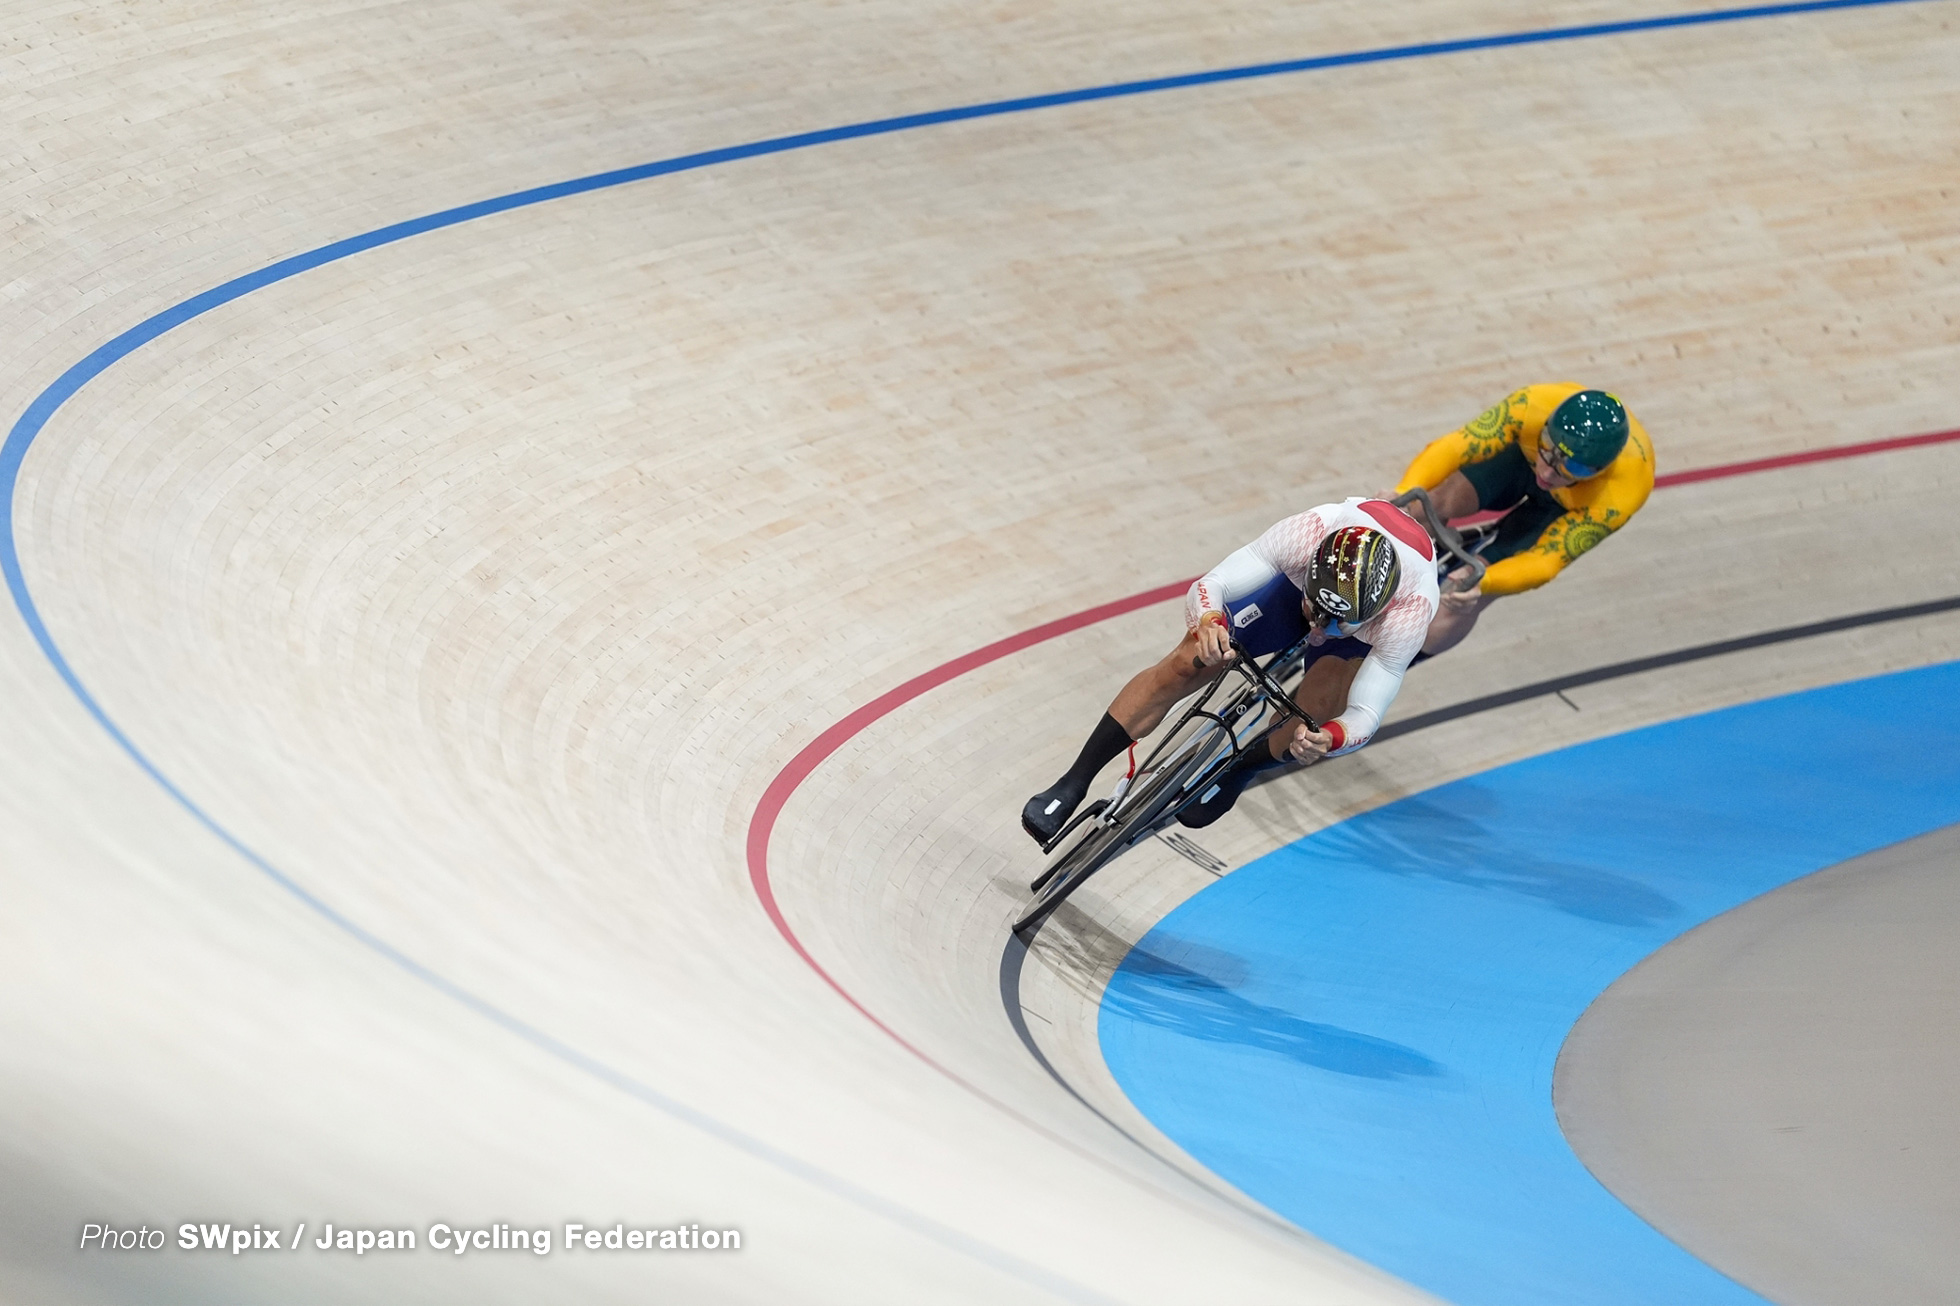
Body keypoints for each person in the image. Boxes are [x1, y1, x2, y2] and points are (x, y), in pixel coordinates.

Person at [1021, 497, 1440, 843]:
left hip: (1358, 632)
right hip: (1289, 593)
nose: (1320, 627)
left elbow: (1365, 715)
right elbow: (1212, 585)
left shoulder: (1408, 614)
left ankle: (1243, 768)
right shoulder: (1306, 535)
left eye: (1337, 622)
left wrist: (1329, 738)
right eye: (1317, 611)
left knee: (1313, 719)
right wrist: (1209, 624)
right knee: (1189, 661)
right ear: (1311, 573)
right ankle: (1074, 780)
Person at [1395, 385, 1653, 657]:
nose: (1548, 473)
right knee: (1427, 504)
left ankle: (1403, 659)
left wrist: (1487, 581)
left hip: (1568, 509)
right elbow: (1455, 446)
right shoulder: (1531, 405)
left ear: (1601, 470)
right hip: (1521, 459)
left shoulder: (1621, 494)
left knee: (1466, 592)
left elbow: (1545, 562)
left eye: (1572, 468)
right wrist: (1404, 489)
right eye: (1549, 449)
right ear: (1545, 427)